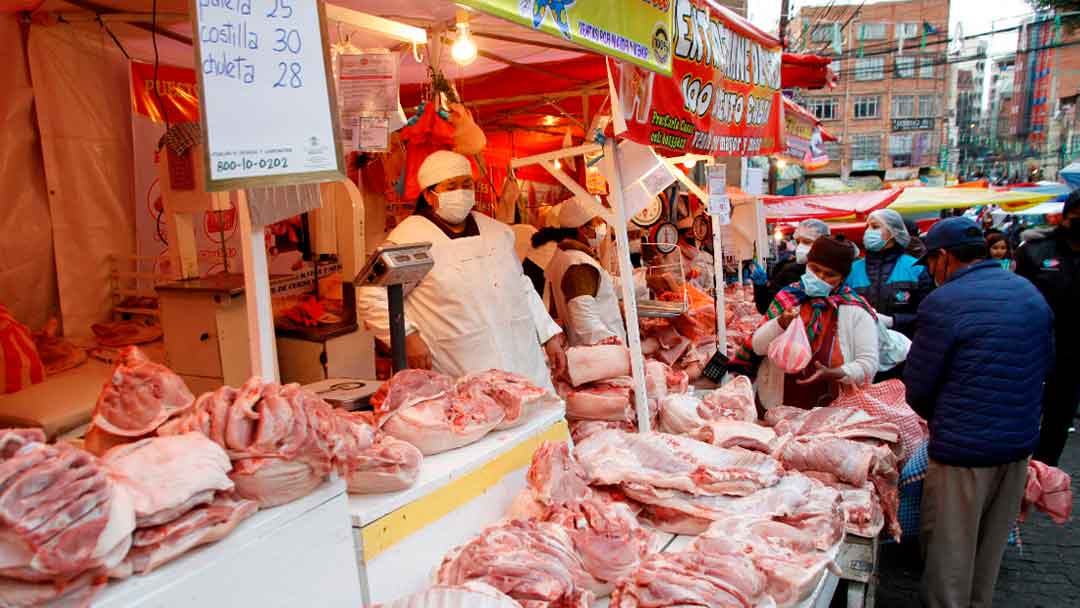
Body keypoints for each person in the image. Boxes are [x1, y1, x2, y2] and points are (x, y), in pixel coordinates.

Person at [904, 217, 1054, 608]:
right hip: (1017, 447)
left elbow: (918, 387)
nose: (931, 272)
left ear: (945, 257)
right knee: (987, 556)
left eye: (931, 263)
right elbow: (1046, 363)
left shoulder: (943, 302)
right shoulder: (1028, 293)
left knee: (949, 559)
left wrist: (945, 417)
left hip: (962, 451)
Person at [356, 150, 565, 390]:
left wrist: (549, 335)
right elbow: (372, 295)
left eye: (466, 184)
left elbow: (522, 286)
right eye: (451, 186)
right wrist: (407, 337)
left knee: (536, 417)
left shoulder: (497, 232)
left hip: (523, 361)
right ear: (429, 194)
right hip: (459, 367)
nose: (461, 192)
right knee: (478, 418)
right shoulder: (409, 238)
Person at [751, 236, 879, 409]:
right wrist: (780, 323)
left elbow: (868, 364)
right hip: (778, 406)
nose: (820, 277)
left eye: (829, 275)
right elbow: (758, 346)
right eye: (815, 269)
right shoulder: (788, 297)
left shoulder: (855, 310)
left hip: (832, 412)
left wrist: (835, 373)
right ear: (807, 265)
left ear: (842, 277)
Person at [1016, 191, 1080, 466]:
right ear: (1066, 217)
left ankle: (1044, 471)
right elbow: (1017, 299)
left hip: (1074, 354)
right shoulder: (1035, 250)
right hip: (1035, 346)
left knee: (1059, 417)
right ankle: (1016, 468)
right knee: (1022, 411)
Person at [543, 197, 627, 347]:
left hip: (587, 350)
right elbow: (585, 320)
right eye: (597, 223)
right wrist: (614, 346)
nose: (601, 227)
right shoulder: (578, 264)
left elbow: (603, 287)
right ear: (582, 229)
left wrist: (646, 281)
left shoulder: (565, 256)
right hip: (600, 356)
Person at [845, 209, 932, 339]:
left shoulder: (916, 268)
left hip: (906, 346)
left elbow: (929, 315)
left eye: (875, 227)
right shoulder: (852, 270)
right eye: (867, 227)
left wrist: (894, 321)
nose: (868, 231)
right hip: (863, 347)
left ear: (893, 232)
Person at [752, 219, 832, 314]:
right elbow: (765, 308)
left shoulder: (833, 273)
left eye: (806, 242)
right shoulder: (788, 270)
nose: (800, 247)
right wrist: (760, 287)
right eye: (798, 242)